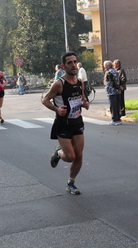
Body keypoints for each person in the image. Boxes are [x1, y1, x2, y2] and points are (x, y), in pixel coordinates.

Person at [41, 51, 89, 195]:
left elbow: (81, 98)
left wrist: (84, 103)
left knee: (79, 155)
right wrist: (56, 109)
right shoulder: (59, 84)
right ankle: (59, 153)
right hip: (63, 124)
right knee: (70, 157)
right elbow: (45, 100)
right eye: (69, 63)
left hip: (77, 122)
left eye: (75, 62)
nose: (73, 65)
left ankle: (71, 182)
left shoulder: (80, 82)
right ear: (64, 66)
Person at [104, 60, 122, 125]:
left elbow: (112, 82)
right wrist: (119, 87)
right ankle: (118, 119)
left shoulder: (109, 72)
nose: (104, 67)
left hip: (112, 91)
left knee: (113, 106)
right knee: (117, 105)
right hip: (117, 91)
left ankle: (114, 120)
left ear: (108, 66)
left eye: (105, 66)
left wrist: (115, 87)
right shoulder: (116, 71)